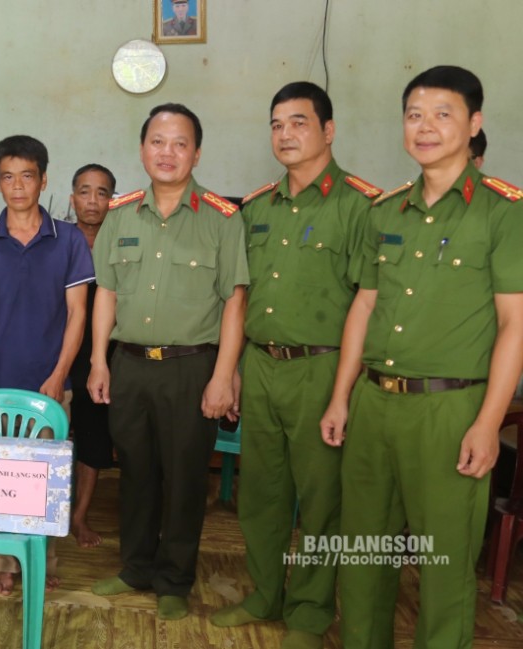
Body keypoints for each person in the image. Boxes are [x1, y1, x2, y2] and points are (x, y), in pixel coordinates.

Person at [320, 65, 523, 649]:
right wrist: (340, 396)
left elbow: (514, 325)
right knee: (362, 554)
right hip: (373, 406)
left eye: (443, 114)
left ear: (474, 122)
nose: (425, 127)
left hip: (449, 411)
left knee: (445, 565)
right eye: (414, 115)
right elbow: (363, 308)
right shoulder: (384, 213)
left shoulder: (503, 212)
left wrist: (488, 423)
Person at [209, 82, 379, 649]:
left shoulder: (361, 206)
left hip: (322, 369)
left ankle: (309, 611)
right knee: (261, 492)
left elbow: (368, 302)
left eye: (299, 123)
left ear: (328, 131)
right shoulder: (256, 208)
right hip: (260, 365)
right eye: (277, 124)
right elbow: (241, 298)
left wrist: (345, 388)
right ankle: (265, 594)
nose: (285, 134)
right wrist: (231, 369)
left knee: (322, 497)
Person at [88, 103, 248, 621]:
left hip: (190, 366)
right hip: (130, 364)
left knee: (183, 477)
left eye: (180, 143)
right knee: (133, 471)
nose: (168, 152)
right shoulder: (119, 214)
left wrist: (223, 375)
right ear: (142, 149)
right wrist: (98, 360)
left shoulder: (223, 219)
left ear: (196, 152)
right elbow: (106, 294)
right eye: (158, 141)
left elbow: (234, 302)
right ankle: (135, 566)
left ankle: (174, 579)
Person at [0, 135, 93, 595]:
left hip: (50, 384)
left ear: (44, 179)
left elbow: (78, 313)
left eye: (27, 176)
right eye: (8, 177)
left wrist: (58, 374)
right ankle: (2, 564)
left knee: (45, 479)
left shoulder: (69, 240)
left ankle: (44, 558)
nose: (18, 186)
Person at [67, 163, 117, 548]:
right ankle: (45, 512)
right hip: (60, 350)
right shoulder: (59, 241)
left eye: (102, 193)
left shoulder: (121, 243)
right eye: (85, 191)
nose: (93, 201)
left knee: (93, 435)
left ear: (111, 202)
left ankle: (79, 517)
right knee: (50, 434)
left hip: (102, 355)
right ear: (73, 198)